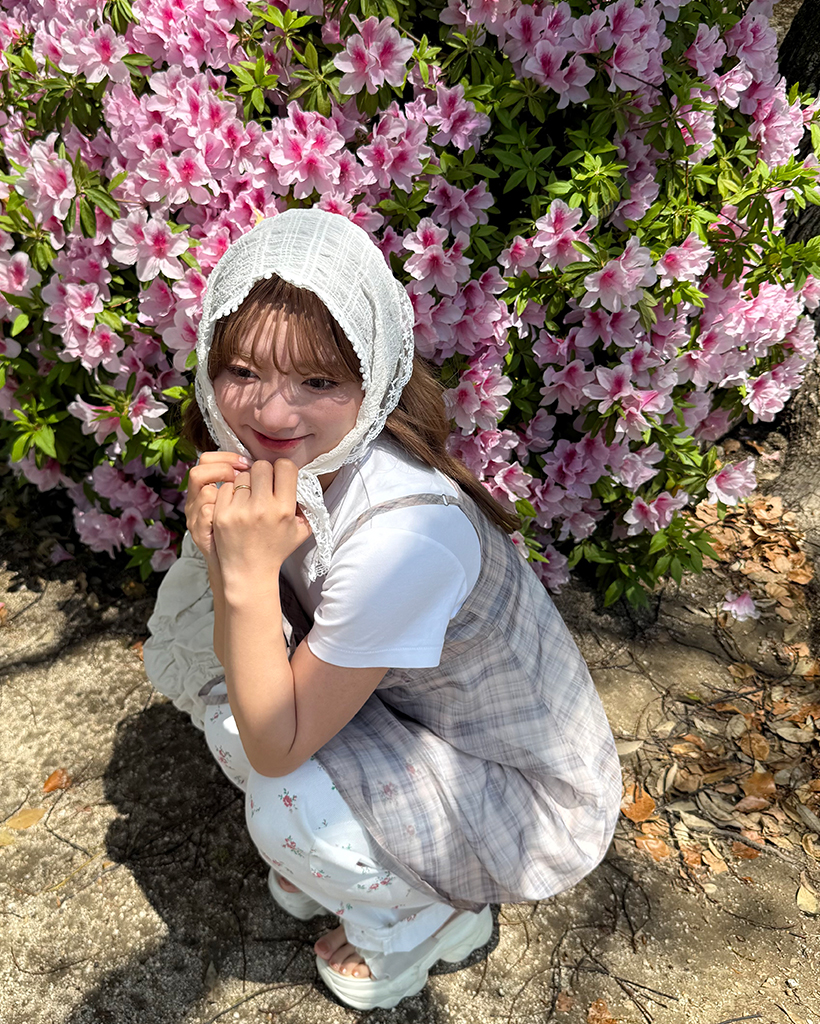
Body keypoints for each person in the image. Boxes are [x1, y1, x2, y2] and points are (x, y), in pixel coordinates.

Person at [143, 208, 621, 1010]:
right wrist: (229, 558)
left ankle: (427, 920)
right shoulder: (298, 463)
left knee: (280, 788)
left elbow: (275, 744)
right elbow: (238, 662)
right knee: (234, 716)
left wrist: (247, 575)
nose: (271, 414)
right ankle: (369, 866)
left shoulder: (405, 536)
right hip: (412, 719)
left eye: (318, 381)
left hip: (520, 796)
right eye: (243, 370)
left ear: (374, 376)